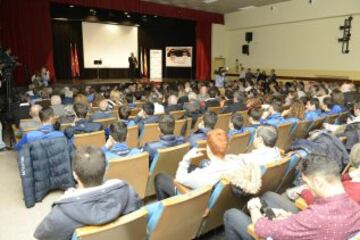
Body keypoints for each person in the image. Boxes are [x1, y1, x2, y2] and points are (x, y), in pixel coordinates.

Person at [224, 153, 360, 240]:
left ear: (317, 182)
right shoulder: (354, 207)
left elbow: (262, 228)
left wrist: (253, 207)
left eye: (306, 183)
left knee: (231, 214)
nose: (307, 188)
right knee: (270, 198)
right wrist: (291, 218)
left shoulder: (315, 217)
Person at [33, 146, 142, 240]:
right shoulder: (128, 191)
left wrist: (68, 195)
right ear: (105, 170)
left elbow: (42, 236)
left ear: (75, 175)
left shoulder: (59, 214)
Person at [154, 129, 240, 200]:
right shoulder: (235, 161)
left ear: (208, 148)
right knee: (191, 167)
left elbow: (179, 179)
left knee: (159, 177)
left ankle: (166, 209)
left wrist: (186, 159)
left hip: (196, 200)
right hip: (214, 194)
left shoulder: (201, 175)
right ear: (228, 147)